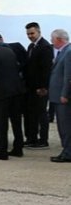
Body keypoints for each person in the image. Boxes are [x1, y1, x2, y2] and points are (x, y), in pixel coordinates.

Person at [23, 22, 54, 149]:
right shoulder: (31, 46)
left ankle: (43, 140)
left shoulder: (45, 46)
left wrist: (43, 87)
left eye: (32, 33)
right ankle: (32, 138)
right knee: (31, 114)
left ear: (39, 32)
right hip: (30, 87)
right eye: (28, 34)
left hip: (41, 87)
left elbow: (46, 69)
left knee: (41, 114)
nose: (30, 36)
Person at [47, 29, 71, 163]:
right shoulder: (63, 52)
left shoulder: (68, 52)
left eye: (53, 39)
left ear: (59, 39)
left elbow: (68, 76)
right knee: (63, 126)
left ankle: (68, 152)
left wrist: (64, 94)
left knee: (65, 126)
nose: (51, 41)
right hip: (58, 96)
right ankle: (66, 151)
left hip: (63, 97)